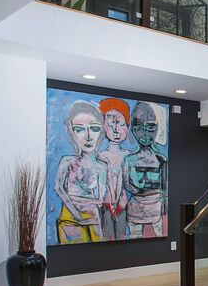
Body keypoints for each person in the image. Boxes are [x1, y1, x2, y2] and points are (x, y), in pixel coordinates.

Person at [55, 101, 108, 243]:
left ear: (101, 132)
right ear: (72, 133)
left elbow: (101, 197)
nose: (89, 136)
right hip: (70, 218)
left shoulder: (102, 166)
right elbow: (59, 188)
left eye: (95, 128)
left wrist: (92, 205)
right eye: (80, 129)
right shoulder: (67, 162)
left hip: (93, 217)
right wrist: (77, 214)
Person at [123, 102, 167, 238]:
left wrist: (163, 204)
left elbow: (165, 186)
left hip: (156, 207)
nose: (144, 133)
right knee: (134, 236)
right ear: (133, 129)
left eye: (150, 127)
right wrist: (138, 190)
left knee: (160, 234)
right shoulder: (129, 159)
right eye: (138, 127)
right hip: (135, 208)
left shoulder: (161, 159)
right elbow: (127, 183)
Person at [98, 98, 130, 240]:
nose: (116, 130)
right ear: (104, 127)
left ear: (127, 128)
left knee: (121, 235)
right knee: (108, 235)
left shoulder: (128, 156)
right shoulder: (100, 156)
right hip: (105, 204)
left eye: (121, 124)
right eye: (111, 125)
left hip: (123, 204)